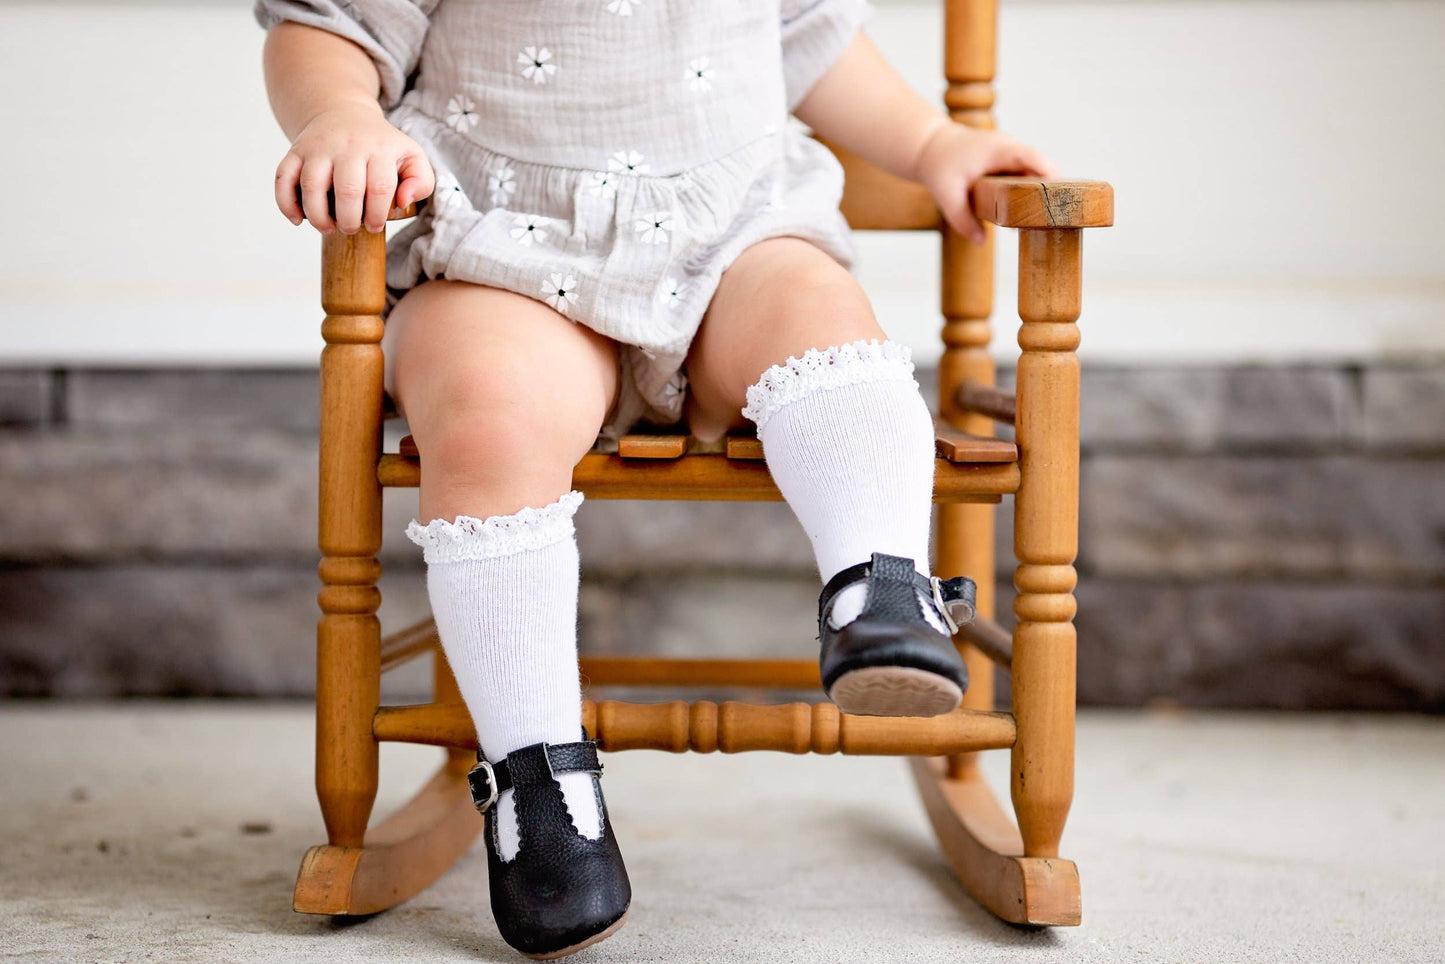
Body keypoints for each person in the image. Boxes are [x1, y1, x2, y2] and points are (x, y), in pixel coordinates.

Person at [254, 1, 1057, 956]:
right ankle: (542, 788)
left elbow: (812, 43)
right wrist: (339, 114)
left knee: (821, 320)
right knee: (486, 410)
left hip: (735, 236)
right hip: (502, 246)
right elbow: (331, 22)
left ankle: (878, 589)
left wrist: (931, 143)